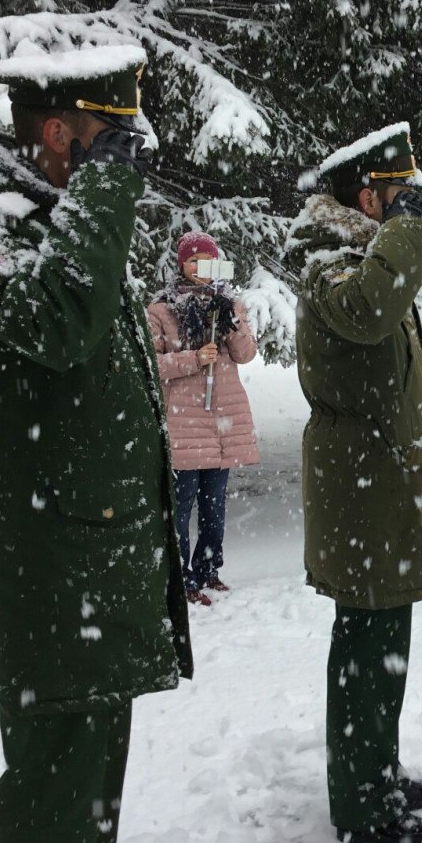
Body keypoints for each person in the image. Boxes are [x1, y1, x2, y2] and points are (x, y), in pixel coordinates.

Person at [0, 45, 193, 843]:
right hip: (50, 577)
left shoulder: (53, 223)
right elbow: (58, 323)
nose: (127, 162)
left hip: (89, 562)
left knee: (86, 795)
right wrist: (106, 185)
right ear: (57, 135)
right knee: (57, 798)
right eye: (110, 140)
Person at [288, 123, 422, 843]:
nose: (411, 207)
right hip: (361, 485)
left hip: (382, 479)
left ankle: (375, 768)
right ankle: (360, 804)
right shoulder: (332, 262)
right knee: (365, 644)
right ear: (365, 197)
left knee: (385, 635)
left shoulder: (356, 256)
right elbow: (371, 310)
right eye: (397, 195)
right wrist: (407, 231)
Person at [147, 230, 260, 606]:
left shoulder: (228, 304)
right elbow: (150, 364)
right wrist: (193, 360)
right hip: (184, 424)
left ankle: (209, 569)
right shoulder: (162, 309)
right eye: (193, 260)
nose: (199, 268)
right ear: (182, 264)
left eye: (206, 260)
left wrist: (234, 322)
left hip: (222, 421)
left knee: (214, 503)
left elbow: (245, 355)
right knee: (181, 505)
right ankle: (181, 578)